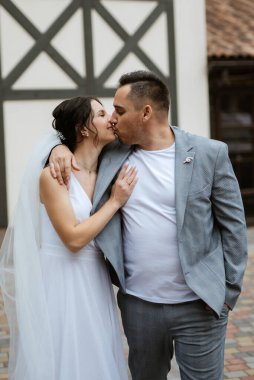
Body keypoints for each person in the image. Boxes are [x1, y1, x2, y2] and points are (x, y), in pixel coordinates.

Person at [48, 71, 247, 380]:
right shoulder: (111, 153)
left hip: (200, 305)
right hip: (139, 306)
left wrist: (227, 293)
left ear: (146, 112)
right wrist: (56, 149)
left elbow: (234, 227)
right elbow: (73, 145)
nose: (112, 119)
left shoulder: (210, 153)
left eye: (119, 110)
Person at [0, 96, 138, 380]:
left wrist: (58, 146)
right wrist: (115, 202)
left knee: (97, 351)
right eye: (101, 113)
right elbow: (73, 240)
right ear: (83, 129)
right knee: (67, 355)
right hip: (62, 278)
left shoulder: (107, 168)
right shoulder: (53, 176)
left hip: (95, 277)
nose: (111, 117)